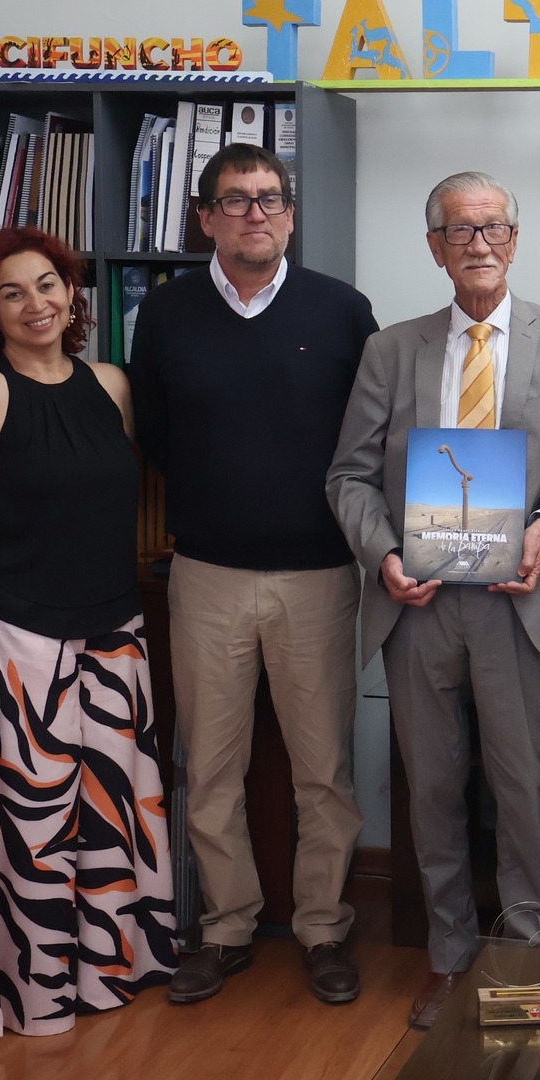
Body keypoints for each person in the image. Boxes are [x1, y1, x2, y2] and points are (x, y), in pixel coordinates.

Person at [327, 171, 540, 1030]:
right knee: (434, 788)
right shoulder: (392, 349)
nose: (479, 244)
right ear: (435, 248)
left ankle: (528, 958)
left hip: (515, 600)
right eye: (460, 231)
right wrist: (382, 554)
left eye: (493, 228)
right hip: (416, 604)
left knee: (525, 788)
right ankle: (451, 959)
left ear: (515, 239)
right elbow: (347, 475)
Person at [128, 144, 379, 1007]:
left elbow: (367, 441)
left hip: (318, 573)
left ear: (291, 214)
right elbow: (155, 433)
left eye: (270, 199)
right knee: (211, 768)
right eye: (235, 200)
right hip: (206, 575)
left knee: (324, 771)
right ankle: (227, 928)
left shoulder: (344, 312)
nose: (255, 214)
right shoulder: (164, 315)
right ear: (204, 216)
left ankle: (322, 928)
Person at [0, 227, 178, 1038]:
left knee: (110, 816)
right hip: (17, 637)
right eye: (13, 292)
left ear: (75, 294)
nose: (37, 302)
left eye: (49, 284)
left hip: (114, 630)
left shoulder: (110, 383)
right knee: (32, 831)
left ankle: (105, 975)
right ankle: (34, 994)